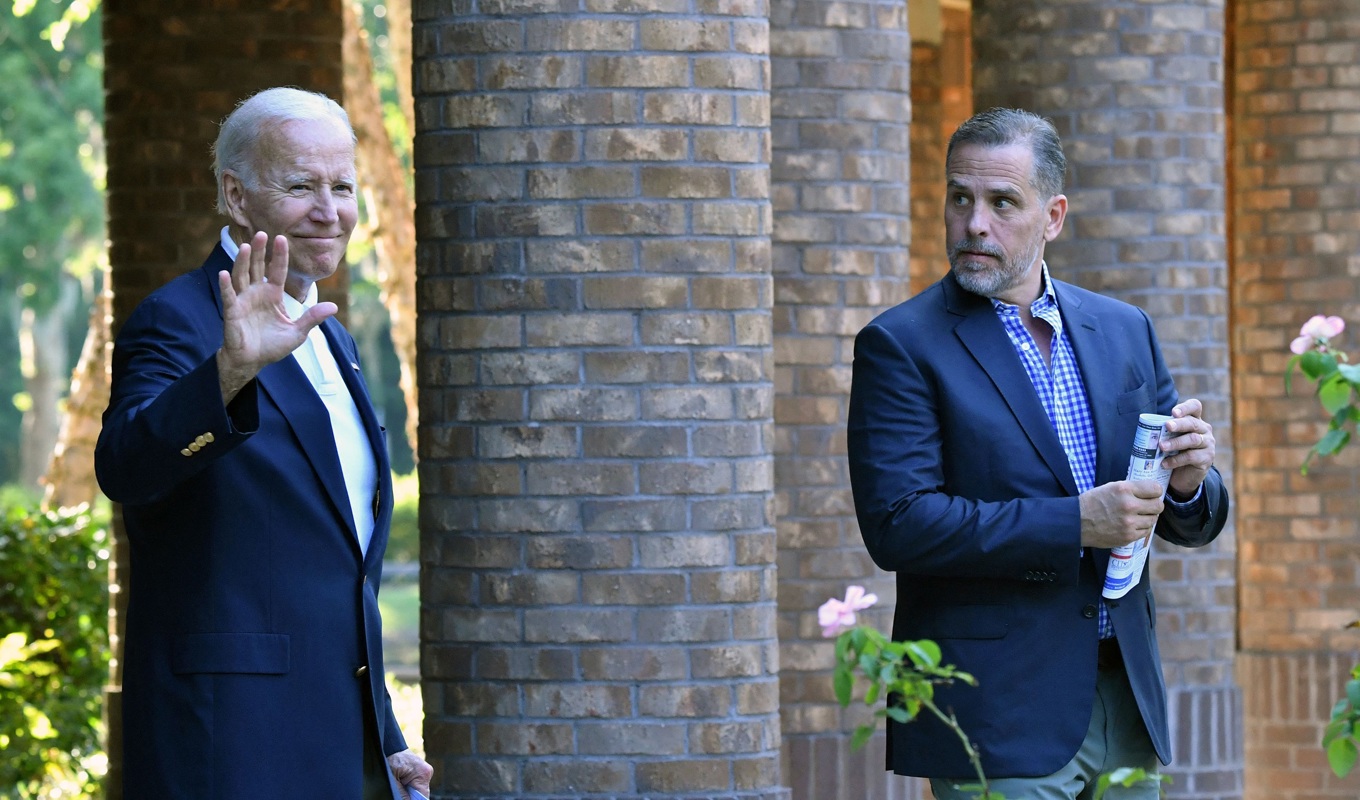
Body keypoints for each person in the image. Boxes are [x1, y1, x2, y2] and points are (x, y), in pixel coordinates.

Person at [846, 107, 1229, 799]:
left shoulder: (1123, 329)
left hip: (1126, 701)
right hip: (999, 714)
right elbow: (898, 524)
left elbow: (1186, 519)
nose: (975, 224)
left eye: (1002, 203)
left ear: (1052, 216)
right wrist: (1075, 522)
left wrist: (1189, 485)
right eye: (960, 198)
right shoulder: (900, 345)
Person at [95, 87, 433, 800]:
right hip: (231, 743)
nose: (329, 210)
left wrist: (386, 742)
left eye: (342, 186)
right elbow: (125, 468)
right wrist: (231, 372)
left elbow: (338, 569)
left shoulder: (332, 333)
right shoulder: (179, 318)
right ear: (236, 195)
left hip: (340, 744)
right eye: (301, 185)